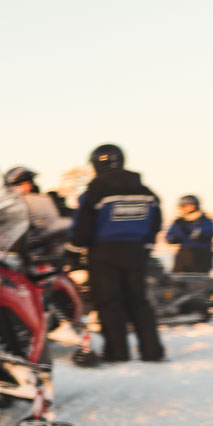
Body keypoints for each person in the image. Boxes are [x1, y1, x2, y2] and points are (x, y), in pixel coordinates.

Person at [71, 144, 164, 363]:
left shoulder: (95, 191)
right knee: (139, 301)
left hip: (103, 253)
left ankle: (117, 352)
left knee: (109, 302)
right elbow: (156, 222)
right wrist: (146, 244)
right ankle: (152, 351)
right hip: (136, 252)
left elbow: (83, 225)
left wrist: (74, 250)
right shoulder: (145, 191)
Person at [4, 166, 71, 263]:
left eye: (29, 183)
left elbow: (52, 222)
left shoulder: (39, 201)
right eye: (24, 183)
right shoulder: (5, 206)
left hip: (40, 251)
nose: (29, 186)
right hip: (13, 253)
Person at [164, 196, 213, 274]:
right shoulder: (179, 222)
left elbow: (204, 234)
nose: (183, 208)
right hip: (183, 256)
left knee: (198, 279)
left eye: (186, 206)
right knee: (178, 278)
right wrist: (175, 237)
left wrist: (190, 232)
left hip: (201, 255)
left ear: (195, 206)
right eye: (182, 206)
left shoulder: (205, 221)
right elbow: (169, 237)